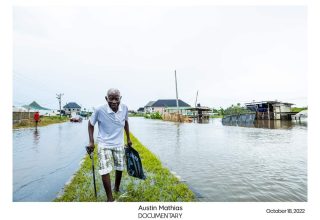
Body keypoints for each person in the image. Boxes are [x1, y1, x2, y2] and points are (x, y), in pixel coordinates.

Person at [88, 88, 132, 202]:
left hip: (119, 143)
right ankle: (110, 198)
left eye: (116, 99)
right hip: (104, 143)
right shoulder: (99, 109)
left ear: (120, 98)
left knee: (120, 166)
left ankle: (116, 187)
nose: (113, 101)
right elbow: (90, 124)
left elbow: (126, 122)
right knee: (104, 169)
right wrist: (91, 141)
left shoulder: (125, 108)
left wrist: (128, 138)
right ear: (106, 98)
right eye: (111, 98)